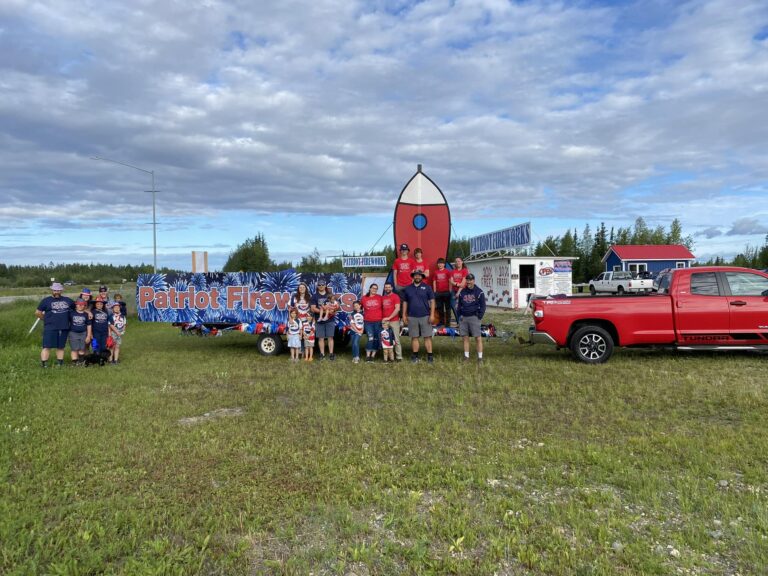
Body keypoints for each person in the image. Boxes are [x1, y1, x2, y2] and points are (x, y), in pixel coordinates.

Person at [36, 282, 74, 368]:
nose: (57, 292)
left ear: (61, 290)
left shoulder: (68, 300)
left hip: (64, 327)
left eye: (58, 290)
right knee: (47, 346)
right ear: (52, 290)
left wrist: (88, 311)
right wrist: (46, 319)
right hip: (50, 327)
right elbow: (38, 312)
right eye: (55, 290)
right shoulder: (46, 301)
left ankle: (60, 363)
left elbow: (78, 307)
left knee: (61, 347)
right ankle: (44, 364)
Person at [401, 270, 436, 363]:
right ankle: (415, 356)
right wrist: (404, 315)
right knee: (414, 337)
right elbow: (405, 302)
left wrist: (432, 314)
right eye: (416, 275)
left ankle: (430, 356)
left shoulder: (427, 287)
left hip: (425, 316)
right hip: (412, 316)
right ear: (413, 276)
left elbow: (432, 301)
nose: (417, 277)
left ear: (422, 277)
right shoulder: (408, 288)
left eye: (419, 275)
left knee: (427, 337)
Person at [456, 273, 487, 363]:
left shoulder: (479, 292)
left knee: (478, 338)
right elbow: (459, 306)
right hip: (463, 318)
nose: (468, 282)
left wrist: (479, 316)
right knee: (465, 338)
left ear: (473, 280)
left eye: (470, 280)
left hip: (474, 317)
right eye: (467, 280)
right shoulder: (462, 292)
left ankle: (480, 358)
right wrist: (459, 316)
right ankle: (466, 357)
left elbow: (483, 306)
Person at [310, 279, 336, 360]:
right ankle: (322, 354)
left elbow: (336, 306)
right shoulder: (314, 296)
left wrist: (333, 310)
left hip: (330, 320)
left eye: (322, 285)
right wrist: (325, 312)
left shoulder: (330, 295)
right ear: (317, 286)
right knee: (320, 338)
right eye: (319, 285)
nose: (321, 286)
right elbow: (313, 308)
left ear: (325, 286)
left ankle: (331, 354)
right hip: (319, 320)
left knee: (330, 337)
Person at [361, 283, 383, 363]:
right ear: (370, 289)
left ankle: (373, 356)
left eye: (376, 288)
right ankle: (367, 356)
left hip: (378, 321)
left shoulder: (380, 297)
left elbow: (384, 308)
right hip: (368, 322)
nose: (374, 290)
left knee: (376, 338)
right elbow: (359, 309)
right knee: (370, 337)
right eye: (373, 288)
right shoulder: (364, 298)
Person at [381, 282, 402, 362]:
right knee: (385, 339)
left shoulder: (395, 296)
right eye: (386, 287)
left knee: (396, 340)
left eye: (389, 287)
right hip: (384, 321)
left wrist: (389, 317)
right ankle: (388, 357)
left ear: (392, 288)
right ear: (384, 288)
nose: (387, 289)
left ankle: (399, 357)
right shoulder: (383, 298)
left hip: (394, 321)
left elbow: (397, 309)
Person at [69, 299, 92, 365]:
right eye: (78, 304)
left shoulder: (86, 314)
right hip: (73, 333)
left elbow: (89, 325)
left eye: (82, 305)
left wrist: (88, 336)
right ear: (76, 305)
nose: (80, 306)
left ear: (85, 306)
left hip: (83, 333)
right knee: (74, 348)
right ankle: (75, 362)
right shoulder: (71, 313)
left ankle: (81, 361)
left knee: (82, 348)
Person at [449, 256, 469, 326]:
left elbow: (463, 283)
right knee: (454, 306)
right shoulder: (452, 271)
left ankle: (464, 323)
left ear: (462, 262)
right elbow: (451, 281)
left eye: (459, 261)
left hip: (463, 291)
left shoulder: (465, 270)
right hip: (454, 291)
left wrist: (458, 292)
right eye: (456, 261)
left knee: (462, 307)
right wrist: (457, 284)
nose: (457, 262)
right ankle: (459, 322)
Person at [432, 257, 452, 326]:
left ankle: (448, 323)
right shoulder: (435, 272)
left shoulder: (447, 271)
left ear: (444, 264)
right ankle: (441, 322)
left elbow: (450, 281)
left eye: (441, 263)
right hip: (438, 293)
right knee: (440, 308)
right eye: (439, 263)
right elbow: (434, 281)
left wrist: (450, 290)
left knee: (447, 308)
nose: (440, 265)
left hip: (446, 292)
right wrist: (435, 291)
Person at [91, 295, 110, 362]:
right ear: (95, 305)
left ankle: (103, 358)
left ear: (103, 305)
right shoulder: (92, 312)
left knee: (104, 345)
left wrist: (109, 332)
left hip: (104, 332)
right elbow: (90, 323)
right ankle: (96, 358)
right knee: (96, 345)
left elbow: (108, 322)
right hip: (96, 332)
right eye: (98, 304)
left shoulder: (106, 312)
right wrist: (91, 334)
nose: (99, 305)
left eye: (101, 304)